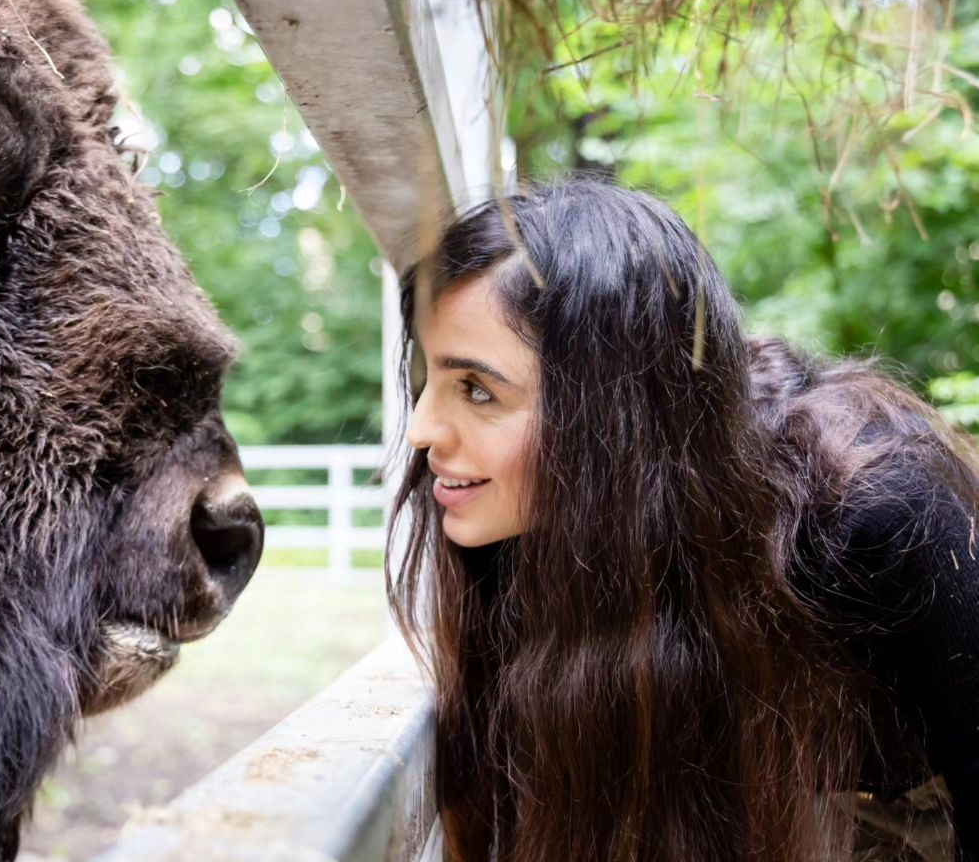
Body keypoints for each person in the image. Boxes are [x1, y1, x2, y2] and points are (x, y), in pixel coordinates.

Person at [386, 179, 979, 862]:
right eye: (427, 378)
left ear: (612, 414)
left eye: (477, 389)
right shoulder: (522, 534)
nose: (421, 429)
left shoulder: (873, 517)